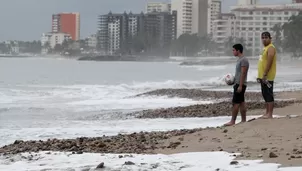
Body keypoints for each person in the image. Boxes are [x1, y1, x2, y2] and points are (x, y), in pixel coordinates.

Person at [224, 44, 250, 126]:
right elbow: (239, 74)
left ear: (238, 50)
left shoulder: (244, 60)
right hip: (238, 83)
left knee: (235, 103)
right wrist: (232, 81)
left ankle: (232, 121)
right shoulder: (239, 60)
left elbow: (243, 73)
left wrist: (240, 85)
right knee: (241, 102)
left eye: (234, 50)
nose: (233, 52)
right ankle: (243, 120)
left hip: (240, 84)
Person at [257, 31, 277, 119]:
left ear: (270, 38)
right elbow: (261, 63)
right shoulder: (264, 49)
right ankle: (267, 112)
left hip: (268, 76)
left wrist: (265, 74)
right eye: (263, 38)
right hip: (262, 76)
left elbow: (269, 62)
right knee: (264, 94)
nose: (264, 39)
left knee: (269, 93)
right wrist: (259, 76)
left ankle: (270, 114)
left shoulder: (271, 48)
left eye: (266, 37)